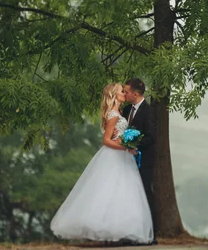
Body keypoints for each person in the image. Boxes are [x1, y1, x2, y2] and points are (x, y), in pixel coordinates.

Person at [50, 83, 154, 244]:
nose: (124, 94)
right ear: (114, 95)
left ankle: (119, 232)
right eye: (121, 91)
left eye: (125, 91)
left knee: (122, 193)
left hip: (123, 157)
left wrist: (128, 146)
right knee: (108, 191)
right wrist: (125, 147)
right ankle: (106, 232)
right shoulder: (113, 114)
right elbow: (106, 141)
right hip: (114, 156)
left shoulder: (121, 112)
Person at [122, 78, 157, 245]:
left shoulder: (148, 111)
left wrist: (134, 145)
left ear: (135, 94)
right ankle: (132, 233)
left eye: (126, 92)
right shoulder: (127, 109)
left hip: (143, 161)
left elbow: (151, 137)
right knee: (130, 196)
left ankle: (150, 235)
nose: (124, 94)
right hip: (127, 160)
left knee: (145, 195)